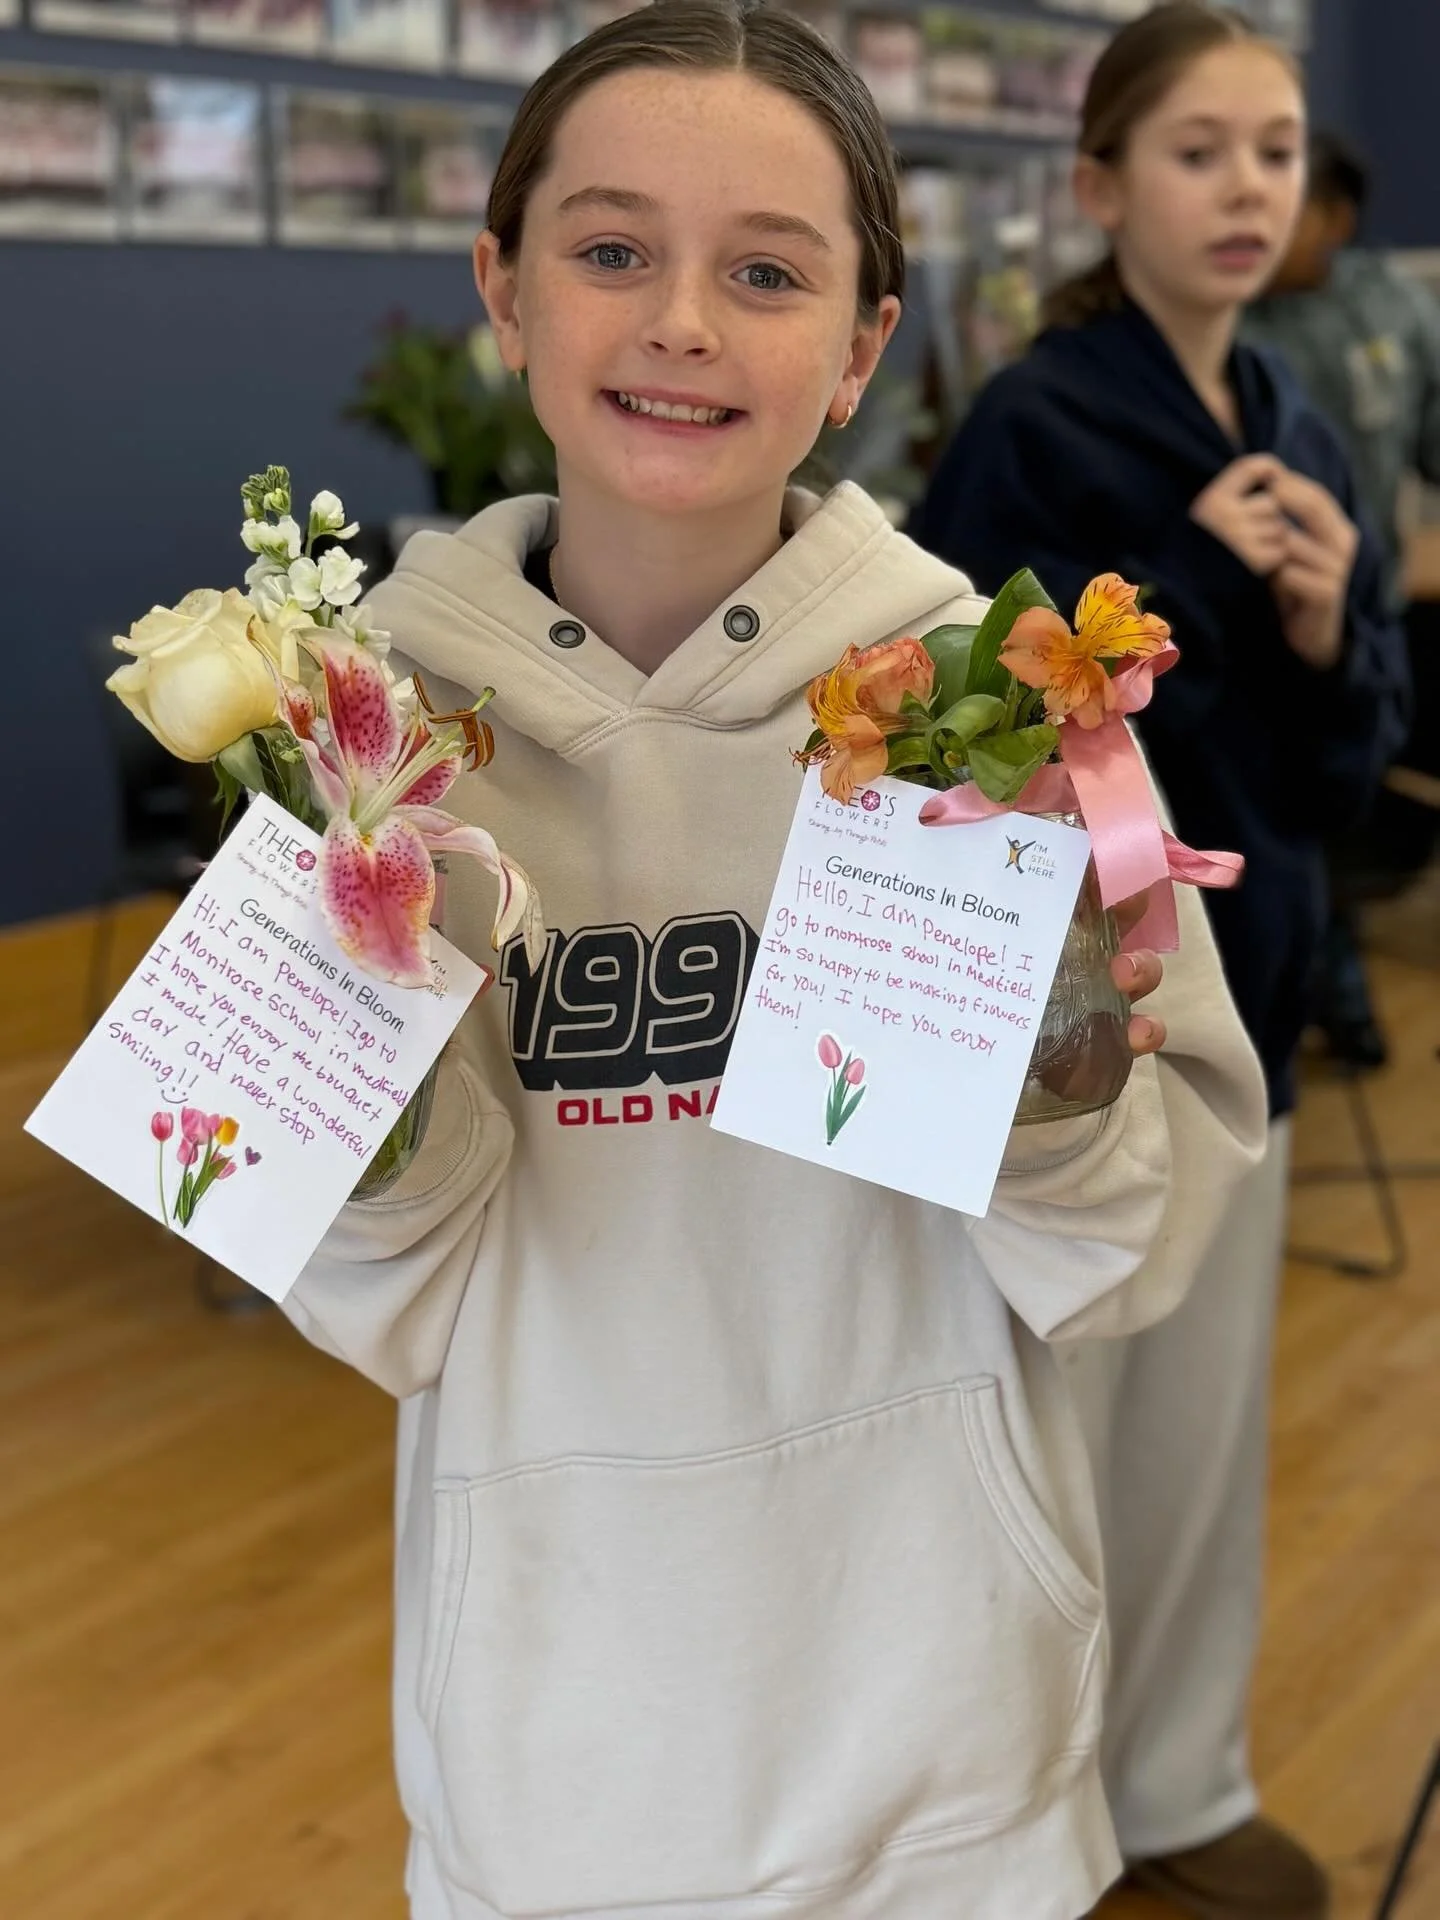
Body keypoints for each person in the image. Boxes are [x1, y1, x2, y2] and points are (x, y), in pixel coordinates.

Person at [280, 7, 1265, 1918]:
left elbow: (1135, 1256)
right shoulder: (362, 752)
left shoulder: (992, 712)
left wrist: (1059, 1091)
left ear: (863, 347)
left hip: (958, 1771)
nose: (683, 322)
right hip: (548, 1767)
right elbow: (361, 1290)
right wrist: (370, 1108)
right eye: (613, 249)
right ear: (504, 286)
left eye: (765, 272)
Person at [908, 7, 1410, 1920]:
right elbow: (964, 744)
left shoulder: (1297, 417)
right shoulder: (1038, 423)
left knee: (1206, 1435)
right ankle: (1036, 1816)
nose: (1245, 189)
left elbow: (1345, 767)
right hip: (1071, 1037)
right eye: (1199, 152)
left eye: (1274, 152)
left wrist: (1311, 615)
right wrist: (1197, 600)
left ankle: (1179, 1776)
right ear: (1104, 187)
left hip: (1254, 1004)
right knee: (1065, 1442)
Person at [1245, 129, 1440, 1066]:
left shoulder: (1396, 311)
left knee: (1353, 809)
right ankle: (1320, 991)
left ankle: (1340, 980)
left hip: (1374, 618)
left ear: (1335, 215)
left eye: (1285, 189)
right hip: (1244, 633)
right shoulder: (1227, 329)